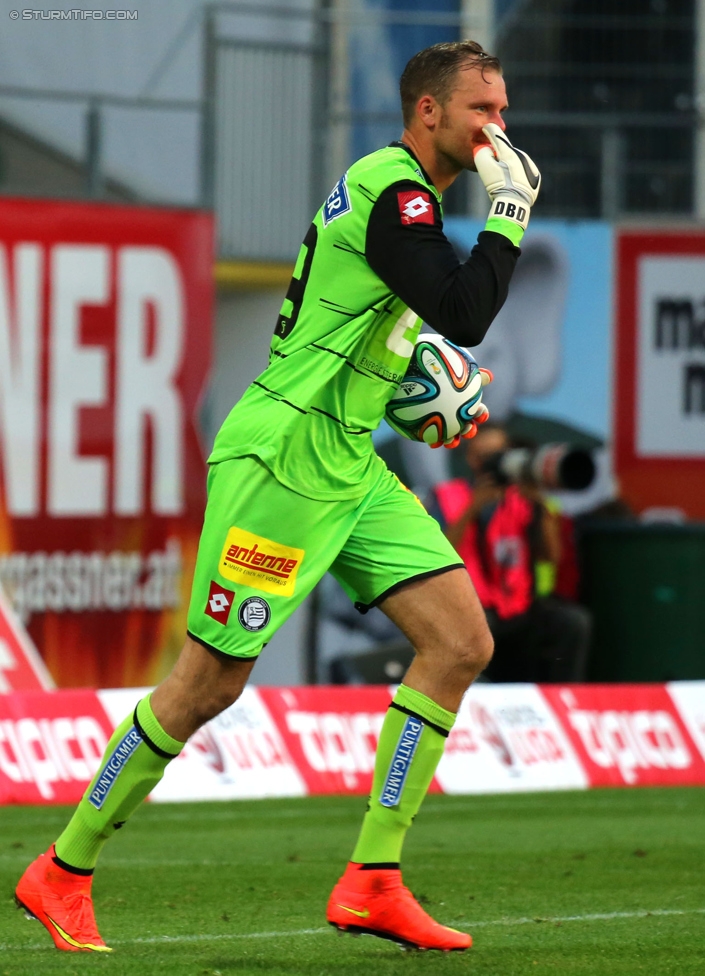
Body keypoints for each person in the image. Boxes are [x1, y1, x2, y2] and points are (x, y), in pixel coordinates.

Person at [15, 40, 540, 954]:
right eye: (479, 112)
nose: (497, 130)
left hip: (344, 457)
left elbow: (390, 327)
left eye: (502, 111)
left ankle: (372, 879)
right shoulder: (395, 190)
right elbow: (461, 309)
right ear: (428, 113)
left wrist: (424, 398)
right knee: (209, 682)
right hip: (282, 459)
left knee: (460, 640)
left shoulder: (404, 203)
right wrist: (507, 219)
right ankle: (62, 868)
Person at [429, 424, 591, 683]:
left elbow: (550, 557)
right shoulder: (450, 497)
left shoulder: (523, 499)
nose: (495, 462)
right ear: (472, 459)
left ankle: (563, 700)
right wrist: (473, 508)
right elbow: (437, 555)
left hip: (519, 607)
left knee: (572, 622)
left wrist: (540, 502)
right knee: (471, 636)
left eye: (500, 453)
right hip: (474, 608)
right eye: (485, 455)